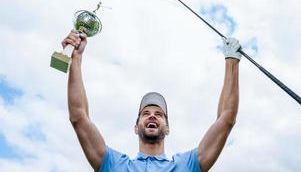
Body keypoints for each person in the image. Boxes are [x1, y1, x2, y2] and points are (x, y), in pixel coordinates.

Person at [62, 29, 241, 172]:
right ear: (136, 126)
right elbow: (79, 117)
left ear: (168, 128)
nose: (152, 116)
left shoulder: (187, 165)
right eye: (145, 113)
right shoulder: (114, 165)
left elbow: (225, 120)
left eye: (159, 114)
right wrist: (76, 59)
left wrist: (231, 61)